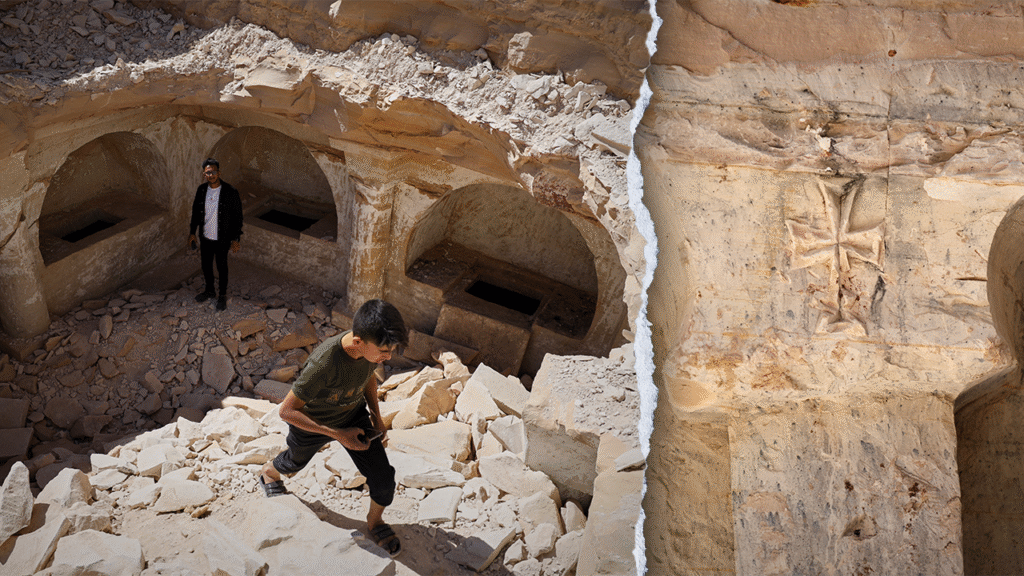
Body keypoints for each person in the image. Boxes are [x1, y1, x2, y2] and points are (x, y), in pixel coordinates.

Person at [259, 299, 409, 558]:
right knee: (292, 464)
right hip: (313, 422)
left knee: (383, 480)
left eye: (391, 350)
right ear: (358, 342)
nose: (388, 357)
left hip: (352, 416)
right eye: (384, 351)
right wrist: (337, 435)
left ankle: (375, 523)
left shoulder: (369, 350)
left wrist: (376, 416)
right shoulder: (324, 363)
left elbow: (367, 379)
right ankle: (268, 473)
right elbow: (286, 411)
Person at [187, 158, 243, 311]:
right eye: (207, 173)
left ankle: (222, 296)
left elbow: (238, 217)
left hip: (222, 239)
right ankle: (210, 291)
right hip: (205, 237)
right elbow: (195, 214)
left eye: (213, 172)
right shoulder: (201, 190)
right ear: (204, 174)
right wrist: (192, 232)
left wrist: (236, 238)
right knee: (206, 265)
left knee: (222, 266)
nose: (210, 175)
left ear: (219, 173)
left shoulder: (230, 191)